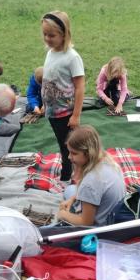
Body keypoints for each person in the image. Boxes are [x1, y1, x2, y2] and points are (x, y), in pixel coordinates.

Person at [41, 11, 85, 183]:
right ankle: (70, 171)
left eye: (51, 35)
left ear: (64, 34)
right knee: (62, 143)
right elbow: (49, 80)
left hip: (66, 113)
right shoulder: (51, 52)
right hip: (52, 110)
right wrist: (46, 104)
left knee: (68, 146)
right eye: (45, 34)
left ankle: (70, 176)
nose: (47, 38)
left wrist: (76, 115)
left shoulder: (72, 57)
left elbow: (80, 86)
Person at [57, 125, 126, 226]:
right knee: (70, 190)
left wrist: (63, 215)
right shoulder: (107, 160)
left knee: (46, 231)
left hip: (102, 230)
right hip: (115, 216)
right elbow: (96, 191)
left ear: (88, 153)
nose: (69, 157)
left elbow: (86, 223)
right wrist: (72, 199)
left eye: (74, 153)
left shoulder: (90, 182)